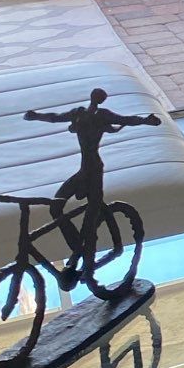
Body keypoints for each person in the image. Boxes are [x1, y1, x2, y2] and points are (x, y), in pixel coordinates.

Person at [23, 88, 160, 285]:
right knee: (56, 206)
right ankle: (77, 247)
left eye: (99, 97)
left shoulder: (103, 116)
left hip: (94, 170)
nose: (96, 99)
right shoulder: (78, 113)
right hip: (83, 170)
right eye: (96, 96)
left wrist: (146, 120)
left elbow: (126, 120)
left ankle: (88, 269)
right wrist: (36, 116)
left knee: (89, 224)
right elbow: (55, 117)